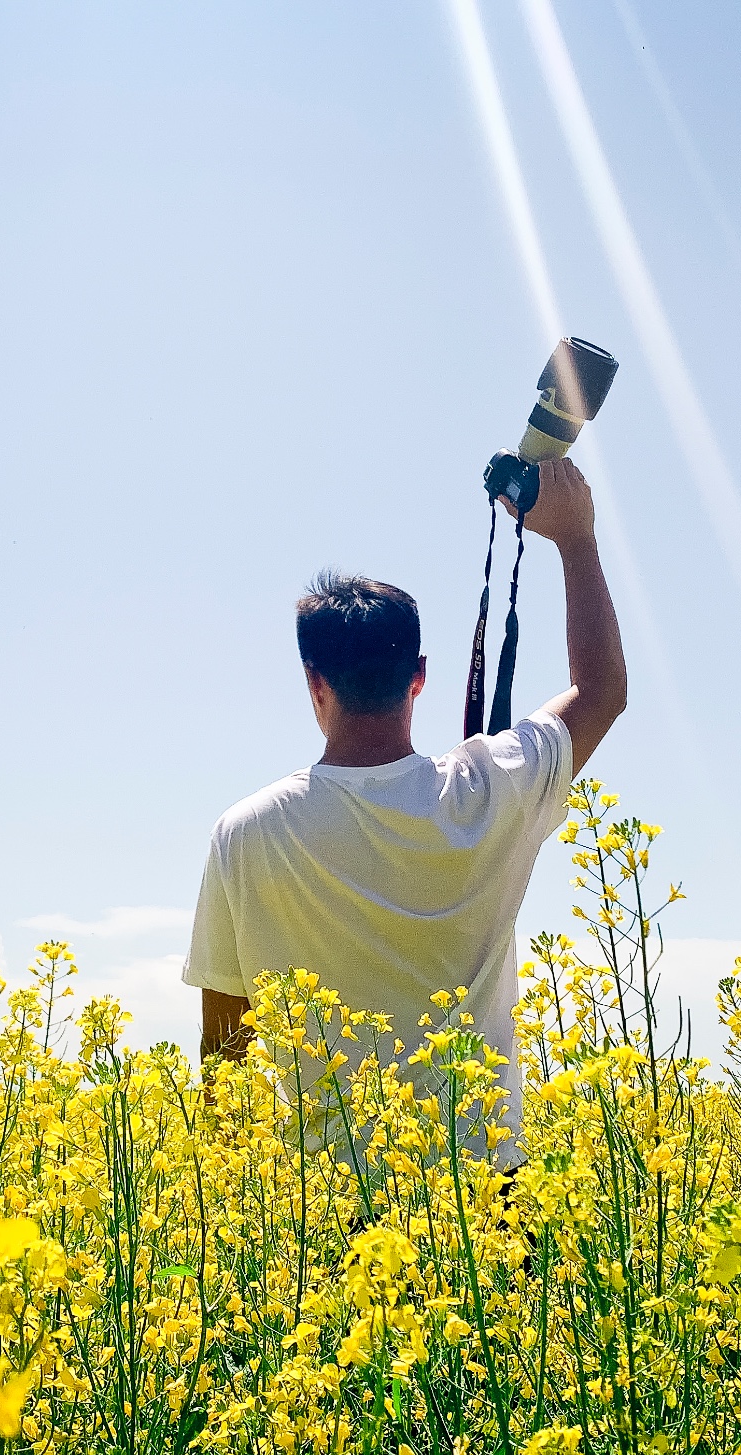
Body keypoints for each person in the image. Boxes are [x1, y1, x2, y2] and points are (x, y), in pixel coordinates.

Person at [181, 457, 626, 1165]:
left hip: (324, 1216)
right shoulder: (489, 788)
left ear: (314, 681)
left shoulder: (245, 833)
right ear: (420, 675)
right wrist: (576, 537)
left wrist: (237, 1220)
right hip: (488, 1208)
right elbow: (600, 692)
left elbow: (224, 1052)